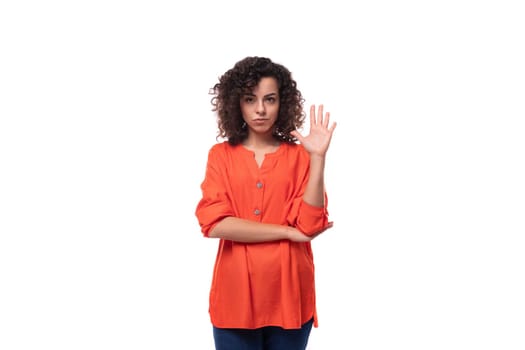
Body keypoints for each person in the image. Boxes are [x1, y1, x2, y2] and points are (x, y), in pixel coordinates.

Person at [195, 56, 337, 350]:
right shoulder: (220, 155)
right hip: (234, 300)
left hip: (290, 297)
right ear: (237, 103)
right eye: (250, 99)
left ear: (282, 104)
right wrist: (285, 232)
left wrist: (317, 159)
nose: (260, 109)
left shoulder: (300, 157)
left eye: (270, 99)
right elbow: (215, 224)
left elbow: (309, 224)